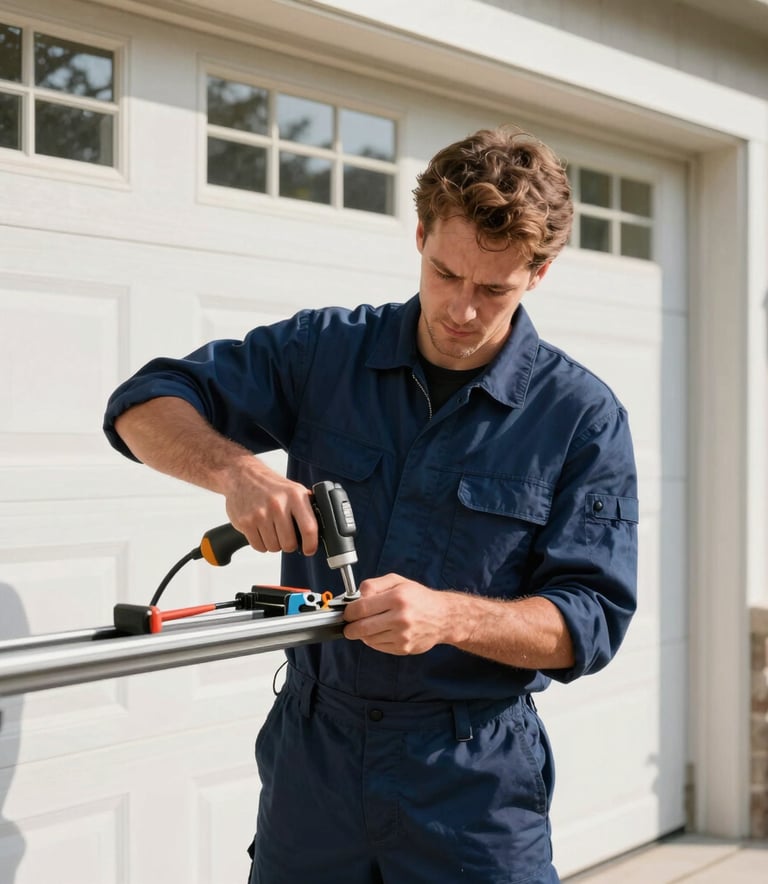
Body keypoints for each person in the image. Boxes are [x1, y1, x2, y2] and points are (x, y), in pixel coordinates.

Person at [103, 126, 638, 884]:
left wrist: (449, 617)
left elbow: (590, 622)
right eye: (444, 271)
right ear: (419, 235)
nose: (460, 309)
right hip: (316, 764)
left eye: (493, 290)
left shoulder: (581, 418)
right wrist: (236, 472)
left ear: (540, 272)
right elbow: (141, 406)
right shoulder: (326, 351)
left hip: (472, 783)